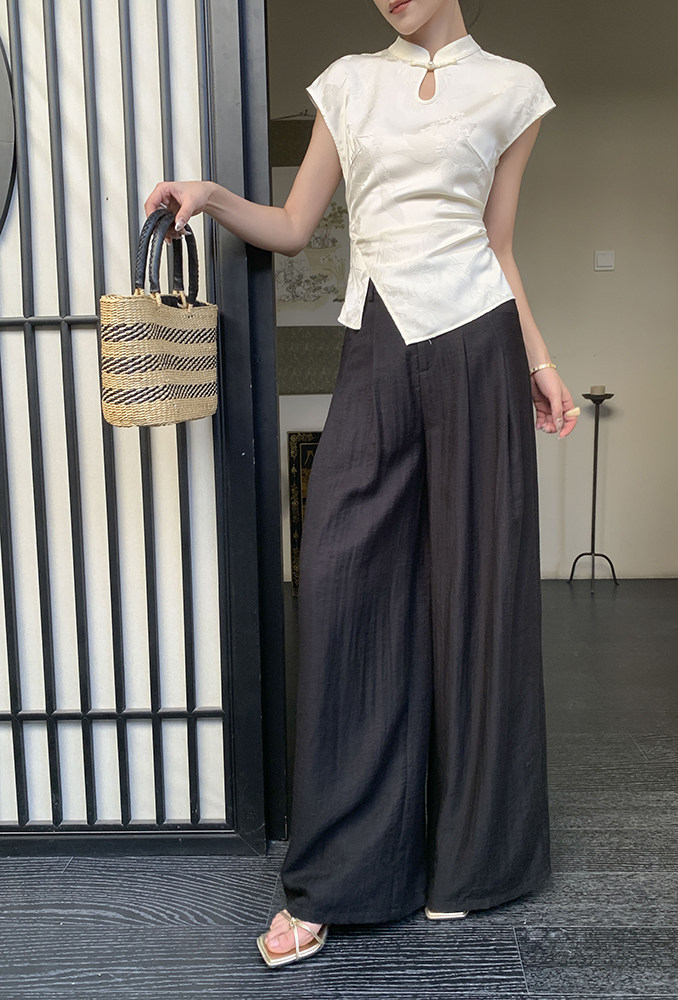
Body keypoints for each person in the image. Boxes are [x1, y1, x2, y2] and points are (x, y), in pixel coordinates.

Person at [146, 0, 577, 970]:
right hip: (378, 342)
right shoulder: (348, 81)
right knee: (344, 583)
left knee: (478, 593)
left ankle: (474, 861)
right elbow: (295, 227)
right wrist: (211, 196)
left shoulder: (514, 91)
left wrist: (540, 361)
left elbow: (499, 246)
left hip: (478, 342)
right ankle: (340, 876)